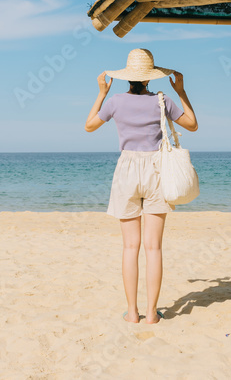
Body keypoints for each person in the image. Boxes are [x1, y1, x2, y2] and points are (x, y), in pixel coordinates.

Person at [84, 48, 198, 325]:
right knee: (153, 248)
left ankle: (132, 312)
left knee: (130, 247)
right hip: (157, 169)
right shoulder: (163, 100)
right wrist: (182, 91)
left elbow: (89, 126)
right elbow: (192, 125)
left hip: (127, 170)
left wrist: (100, 93)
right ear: (150, 78)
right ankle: (151, 314)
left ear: (126, 78)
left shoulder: (114, 102)